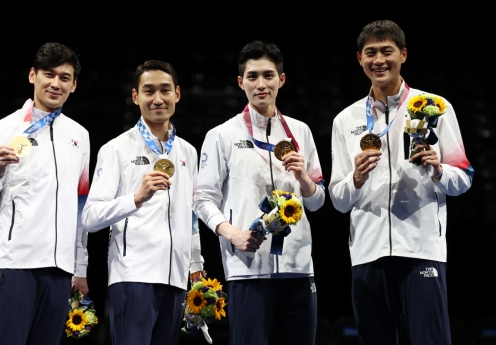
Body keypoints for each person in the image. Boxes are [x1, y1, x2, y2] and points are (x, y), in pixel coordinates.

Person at [329, 20, 474, 344]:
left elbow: (463, 178)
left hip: (422, 248)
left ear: (403, 55)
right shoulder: (346, 120)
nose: (379, 60)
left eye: (387, 51)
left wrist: (438, 170)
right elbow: (338, 200)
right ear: (359, 59)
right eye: (371, 53)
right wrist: (356, 178)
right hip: (368, 253)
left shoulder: (436, 107)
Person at [193, 41, 325, 344]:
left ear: (281, 79)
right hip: (247, 267)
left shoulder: (300, 131)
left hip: (299, 268)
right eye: (252, 76)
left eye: (268, 75)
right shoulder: (222, 135)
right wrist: (232, 234)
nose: (261, 84)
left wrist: (303, 177)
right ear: (241, 82)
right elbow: (202, 199)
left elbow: (317, 202)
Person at [0, 42, 90, 345]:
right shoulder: (3, 129)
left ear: (74, 85)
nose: (55, 83)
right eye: (48, 74)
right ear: (32, 76)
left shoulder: (80, 136)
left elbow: (80, 206)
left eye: (65, 77)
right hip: (14, 264)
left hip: (60, 271)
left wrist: (79, 267)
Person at [82, 60, 204, 345]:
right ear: (136, 97)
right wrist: (135, 198)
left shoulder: (187, 151)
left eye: (165, 90)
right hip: (133, 276)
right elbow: (90, 217)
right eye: (149, 91)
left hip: (175, 278)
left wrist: (195, 265)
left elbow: (192, 215)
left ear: (177, 94)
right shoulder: (116, 149)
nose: (158, 99)